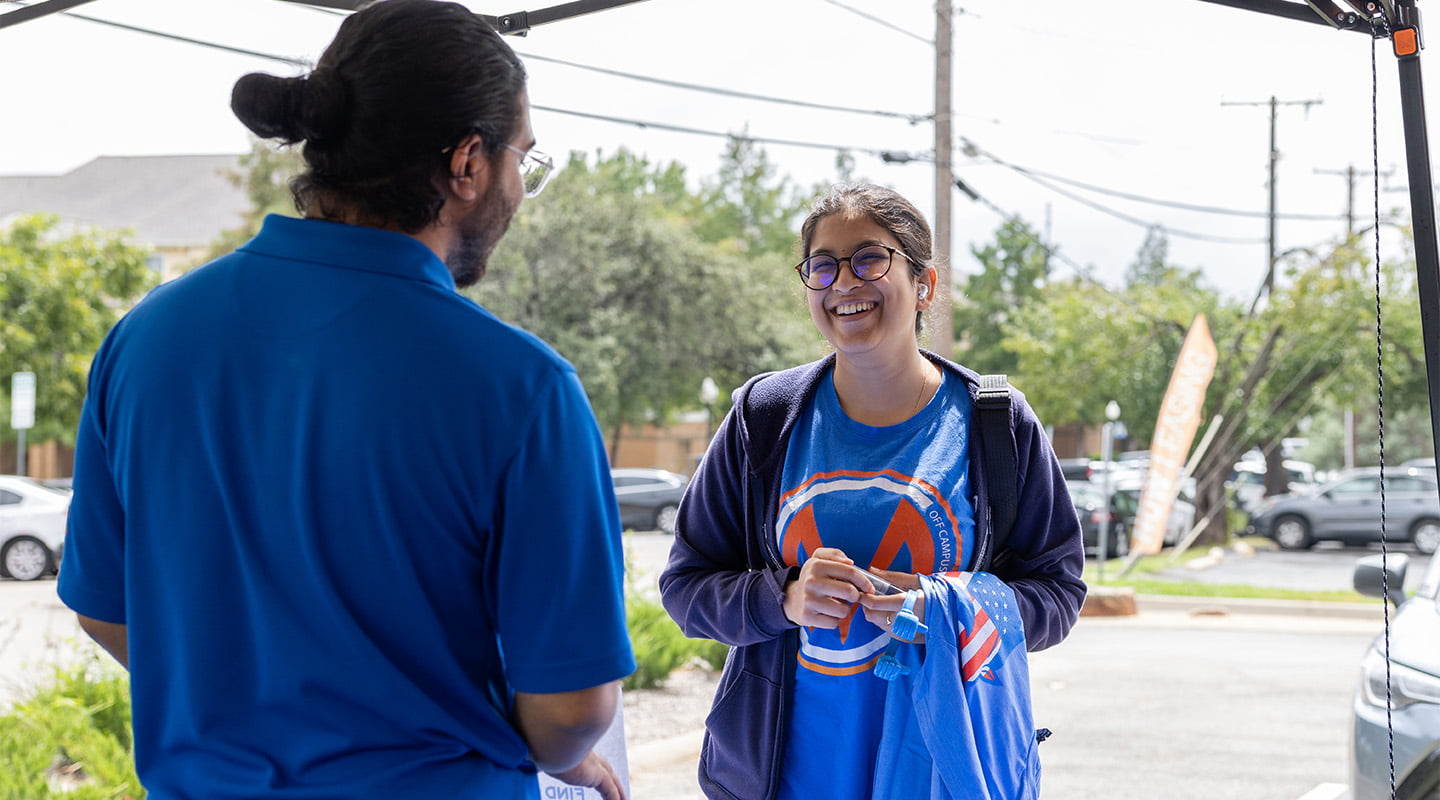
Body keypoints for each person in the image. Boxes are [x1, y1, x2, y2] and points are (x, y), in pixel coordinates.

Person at [56, 2, 634, 798]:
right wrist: (566, 755)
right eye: (521, 163)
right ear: (467, 163)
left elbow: (105, 611)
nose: (517, 192)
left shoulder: (143, 341)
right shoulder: (522, 389)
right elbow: (571, 706)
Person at [659, 183, 1086, 800]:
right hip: (786, 775)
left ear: (924, 285)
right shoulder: (764, 416)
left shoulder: (996, 420)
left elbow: (1058, 592)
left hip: (944, 767)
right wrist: (785, 598)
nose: (844, 283)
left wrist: (943, 606)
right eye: (823, 265)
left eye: (869, 258)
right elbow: (686, 587)